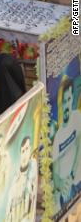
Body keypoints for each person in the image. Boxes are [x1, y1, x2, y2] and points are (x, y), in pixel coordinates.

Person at [51, 77, 81, 209]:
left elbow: (79, 144)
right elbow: (55, 174)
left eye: (69, 100)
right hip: (66, 191)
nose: (67, 105)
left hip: (77, 182)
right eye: (64, 101)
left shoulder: (77, 117)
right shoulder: (58, 136)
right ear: (60, 104)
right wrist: (63, 182)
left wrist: (73, 173)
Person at [5, 136, 37, 222]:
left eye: (27, 149)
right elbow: (9, 209)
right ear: (20, 154)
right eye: (23, 151)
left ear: (30, 149)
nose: (25, 153)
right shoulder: (14, 179)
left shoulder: (33, 165)